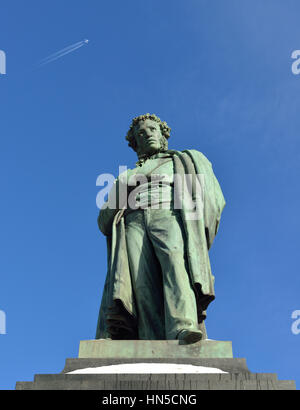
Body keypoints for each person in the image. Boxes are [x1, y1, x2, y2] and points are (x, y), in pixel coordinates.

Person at [95, 113, 225, 344]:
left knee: (175, 265)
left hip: (168, 214)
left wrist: (196, 234)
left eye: (152, 130)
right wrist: (122, 191)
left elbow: (210, 200)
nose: (147, 135)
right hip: (133, 221)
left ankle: (183, 327)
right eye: (141, 134)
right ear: (135, 144)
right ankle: (149, 338)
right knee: (140, 281)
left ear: (163, 135)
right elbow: (104, 221)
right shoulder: (126, 175)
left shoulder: (182, 161)